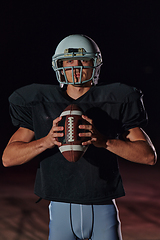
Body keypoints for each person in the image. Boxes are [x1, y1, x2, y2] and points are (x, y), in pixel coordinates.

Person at [2, 34, 157, 240]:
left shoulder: (115, 100)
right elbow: (8, 158)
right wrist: (46, 141)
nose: (76, 67)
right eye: (69, 61)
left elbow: (148, 156)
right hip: (60, 207)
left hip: (102, 204)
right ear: (59, 64)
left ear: (95, 64)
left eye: (83, 60)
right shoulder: (41, 103)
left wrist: (104, 141)